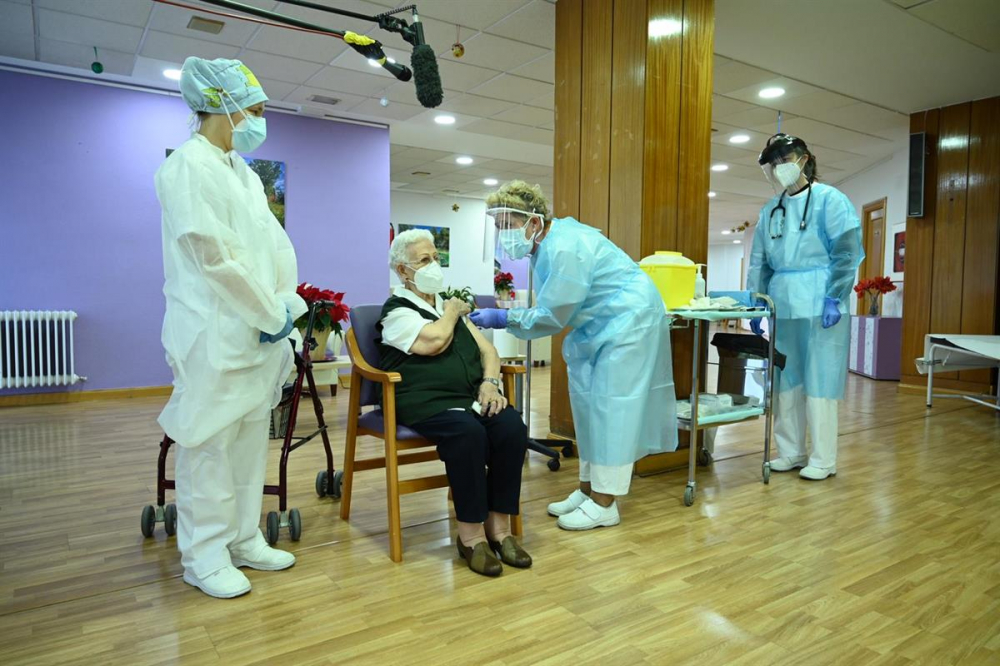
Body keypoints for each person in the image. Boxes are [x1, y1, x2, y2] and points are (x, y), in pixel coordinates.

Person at [154, 57, 306, 598]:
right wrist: (268, 313)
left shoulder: (240, 171)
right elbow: (212, 258)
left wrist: (285, 306)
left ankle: (243, 539)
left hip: (254, 335)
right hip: (213, 335)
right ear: (220, 102)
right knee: (210, 449)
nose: (260, 119)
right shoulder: (187, 168)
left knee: (247, 447)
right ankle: (203, 556)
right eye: (256, 109)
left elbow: (271, 246)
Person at [470, 181, 677, 531]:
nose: (504, 235)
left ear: (533, 222)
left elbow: (553, 314)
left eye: (507, 225)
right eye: (499, 227)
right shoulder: (546, 246)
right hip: (598, 326)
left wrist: (504, 318)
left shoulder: (566, 247)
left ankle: (605, 502)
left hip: (628, 323)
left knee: (612, 408)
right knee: (587, 407)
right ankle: (587, 489)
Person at [378, 229, 532, 577]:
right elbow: (432, 342)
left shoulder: (447, 305)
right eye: (424, 260)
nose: (434, 265)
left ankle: (500, 529)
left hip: (469, 398)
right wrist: (450, 311)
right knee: (467, 433)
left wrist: (491, 384)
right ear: (403, 271)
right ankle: (471, 536)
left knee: (510, 427)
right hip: (424, 402)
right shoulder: (397, 312)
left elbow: (487, 350)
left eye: (435, 257)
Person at [747, 133, 864, 481]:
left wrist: (835, 296)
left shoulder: (831, 200)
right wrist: (758, 302)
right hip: (783, 301)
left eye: (786, 160)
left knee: (821, 379)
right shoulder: (770, 210)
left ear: (805, 159)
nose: (780, 168)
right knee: (786, 378)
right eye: (774, 163)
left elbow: (846, 252)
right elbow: (760, 262)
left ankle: (823, 459)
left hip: (821, 300)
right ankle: (790, 451)